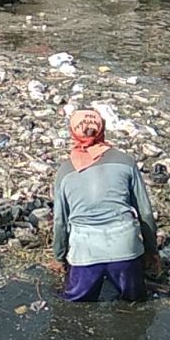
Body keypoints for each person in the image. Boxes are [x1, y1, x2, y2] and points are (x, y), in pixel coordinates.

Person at [51, 110, 161, 303]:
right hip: (125, 248)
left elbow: (60, 222)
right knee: (134, 304)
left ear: (73, 133)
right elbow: (145, 213)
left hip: (84, 253)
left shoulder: (65, 171)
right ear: (102, 130)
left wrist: (59, 257)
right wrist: (152, 251)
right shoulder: (126, 162)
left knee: (74, 308)